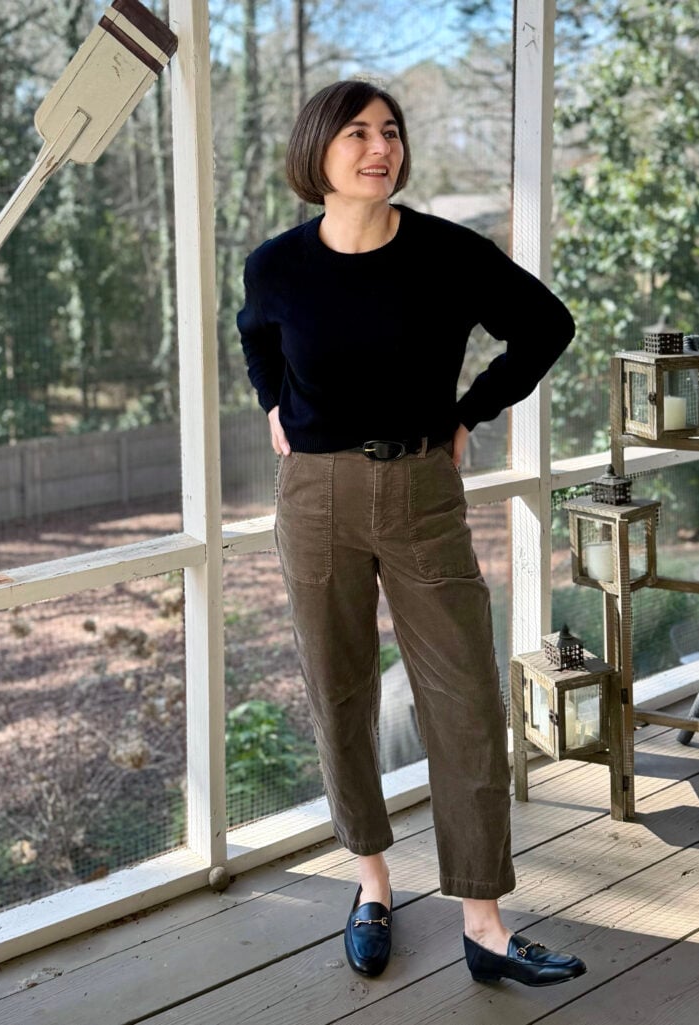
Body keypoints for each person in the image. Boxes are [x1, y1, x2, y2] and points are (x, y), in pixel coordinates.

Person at [237, 79, 586, 987]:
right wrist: (275, 403)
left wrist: (472, 410)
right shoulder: (275, 266)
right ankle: (371, 884)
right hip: (313, 499)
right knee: (339, 692)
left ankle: (483, 920)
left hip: (422, 488)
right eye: (355, 133)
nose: (377, 147)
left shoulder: (447, 254)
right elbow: (258, 340)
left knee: (465, 700)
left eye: (389, 131)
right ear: (317, 151)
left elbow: (546, 326)